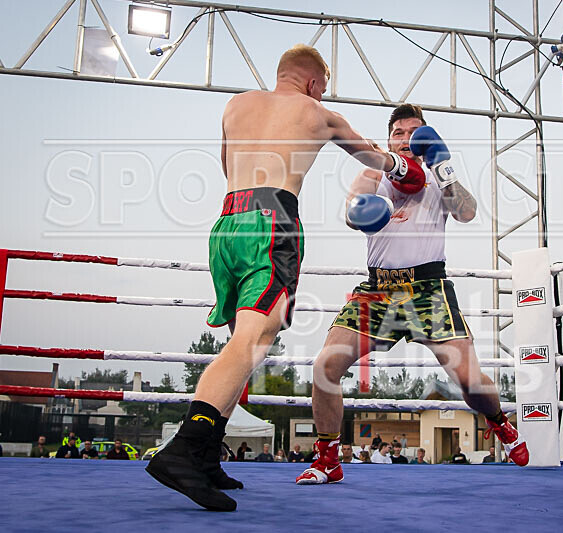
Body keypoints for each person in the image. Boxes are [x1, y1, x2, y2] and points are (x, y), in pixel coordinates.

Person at [145, 44, 410, 512]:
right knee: (251, 340)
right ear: (312, 83)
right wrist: (406, 168)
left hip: (227, 222)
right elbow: (374, 158)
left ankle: (206, 455)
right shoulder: (318, 112)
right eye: (322, 87)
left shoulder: (236, 104)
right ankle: (185, 448)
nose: (321, 94)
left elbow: (226, 165)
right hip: (273, 220)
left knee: (242, 343)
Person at [296, 104, 529, 485]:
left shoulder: (439, 180)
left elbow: (467, 213)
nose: (405, 139)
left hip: (428, 289)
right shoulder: (373, 171)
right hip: (378, 290)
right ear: (389, 140)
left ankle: (500, 422)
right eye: (399, 132)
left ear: (425, 140)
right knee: (325, 367)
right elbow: (353, 212)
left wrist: (444, 168)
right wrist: (365, 210)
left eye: (414, 132)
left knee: (470, 382)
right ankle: (327, 460)